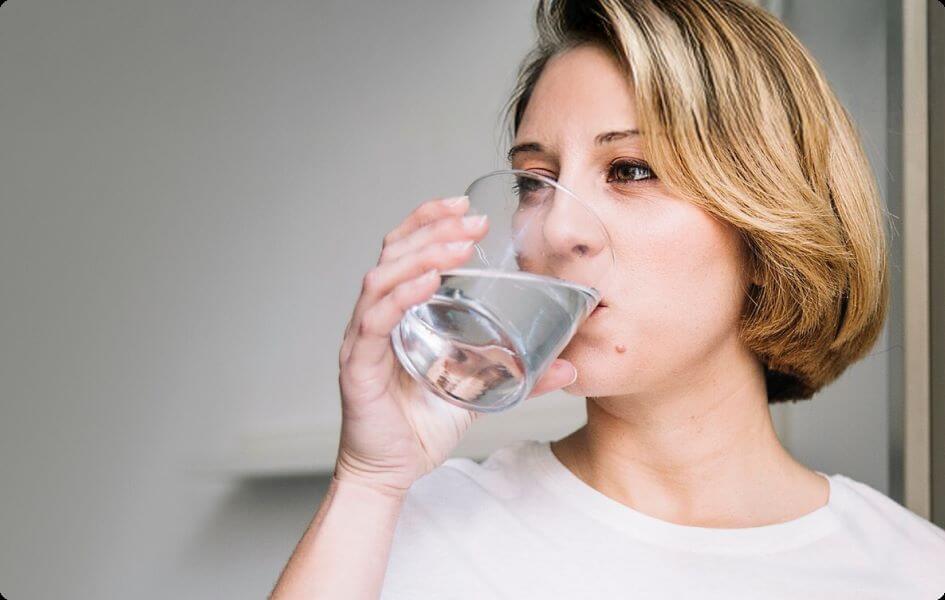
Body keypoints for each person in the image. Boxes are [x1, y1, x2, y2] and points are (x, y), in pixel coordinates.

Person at [270, 0, 945, 598]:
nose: (558, 229)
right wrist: (368, 481)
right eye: (535, 182)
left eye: (629, 171)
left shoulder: (913, 571)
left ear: (766, 229)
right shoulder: (406, 534)